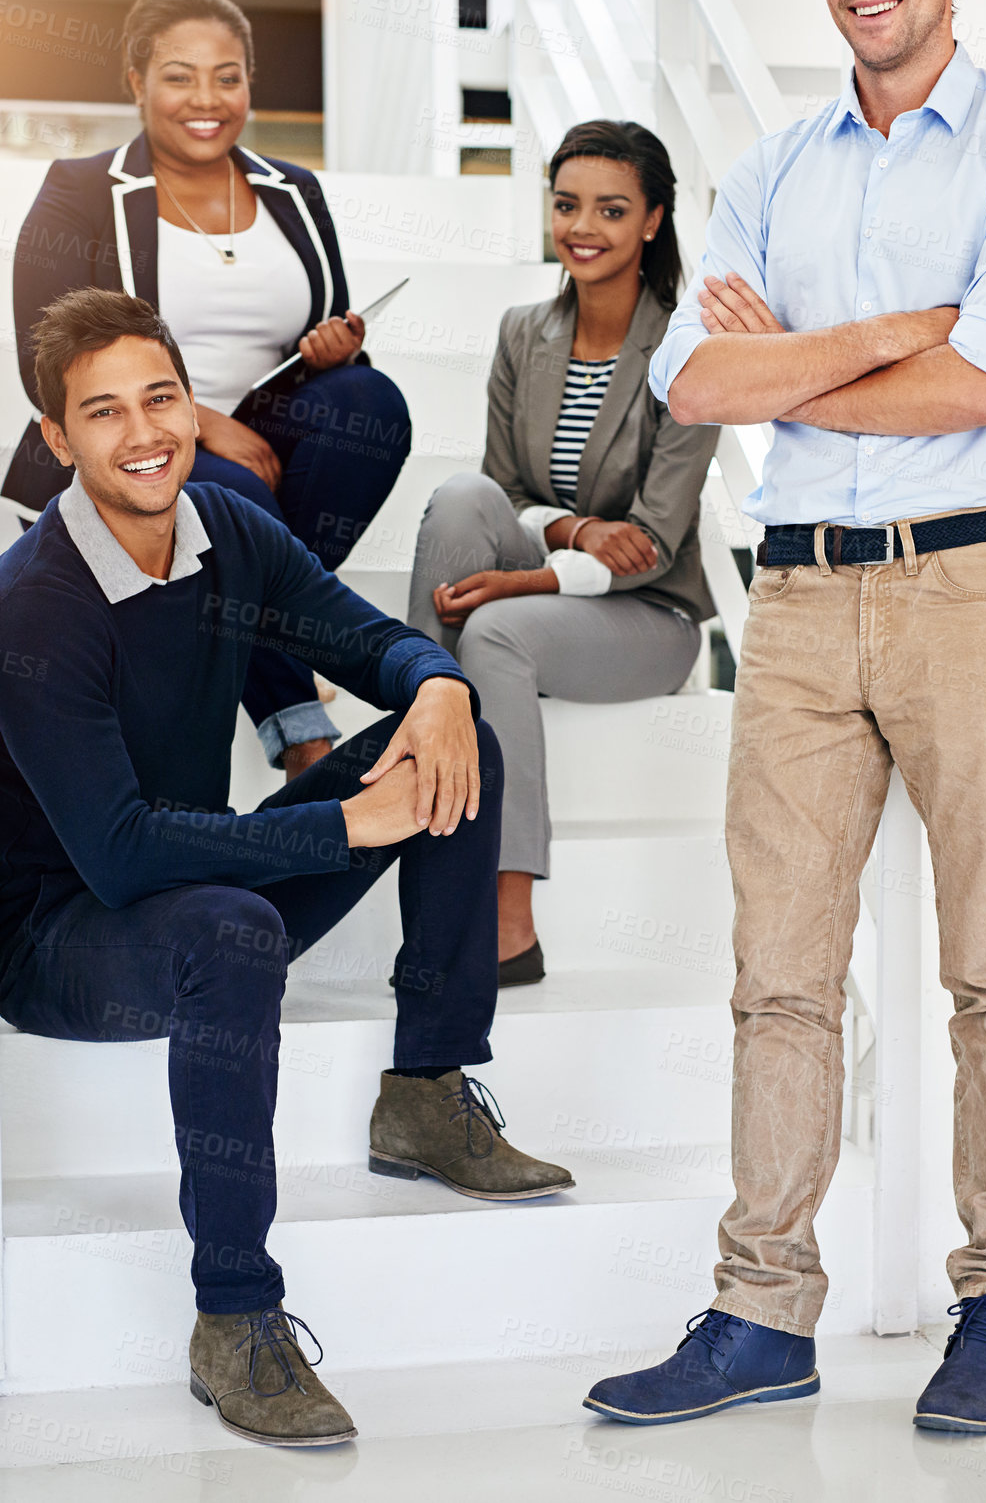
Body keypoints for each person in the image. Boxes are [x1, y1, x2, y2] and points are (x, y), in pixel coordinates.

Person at [584, 0, 986, 1435]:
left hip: (967, 585)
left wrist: (796, 357)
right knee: (779, 976)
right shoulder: (774, 168)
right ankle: (759, 1313)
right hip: (797, 600)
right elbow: (692, 379)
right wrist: (883, 331)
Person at [0, 287, 573, 1449]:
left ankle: (426, 1090)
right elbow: (119, 854)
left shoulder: (226, 525)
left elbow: (366, 640)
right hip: (59, 935)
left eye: (161, 397)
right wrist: (342, 831)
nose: (144, 431)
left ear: (192, 406)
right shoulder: (31, 603)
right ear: (58, 443)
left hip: (199, 878)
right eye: (103, 413)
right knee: (230, 929)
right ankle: (235, 1318)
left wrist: (442, 684)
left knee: (455, 741)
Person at [5, 0, 412, 780]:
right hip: (140, 436)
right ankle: (300, 728)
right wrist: (196, 418)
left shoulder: (293, 190)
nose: (207, 98)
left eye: (227, 76)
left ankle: (232, 620)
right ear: (136, 81)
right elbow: (39, 354)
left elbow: (321, 321)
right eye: (180, 75)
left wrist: (333, 346)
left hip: (266, 429)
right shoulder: (81, 190)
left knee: (370, 404)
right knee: (233, 502)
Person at [407, 121, 719, 984]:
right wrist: (574, 532)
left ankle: (508, 921)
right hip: (553, 573)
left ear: (652, 219)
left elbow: (653, 543)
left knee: (496, 633)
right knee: (458, 497)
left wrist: (529, 577)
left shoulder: (687, 349)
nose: (583, 225)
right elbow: (501, 490)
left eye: (611, 209)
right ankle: (418, 731)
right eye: (566, 204)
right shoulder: (522, 332)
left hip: (646, 617)